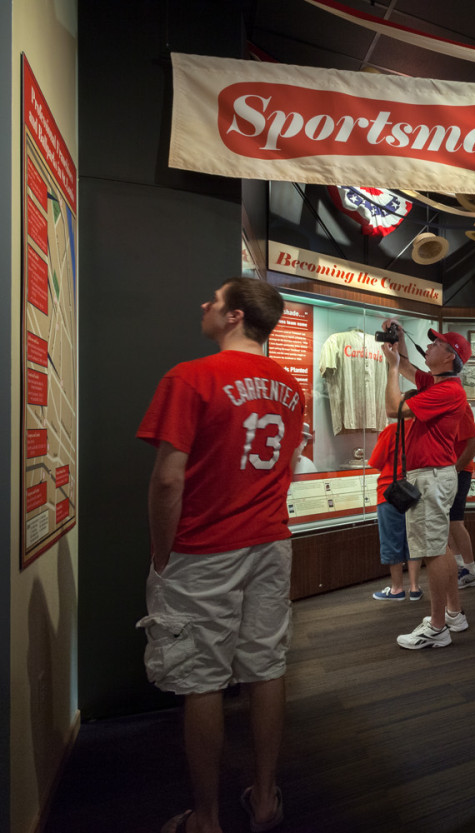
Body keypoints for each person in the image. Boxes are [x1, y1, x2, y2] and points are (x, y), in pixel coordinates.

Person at [136, 278, 305, 833]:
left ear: (234, 316)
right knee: (266, 666)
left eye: (214, 299)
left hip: (205, 546)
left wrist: (163, 554)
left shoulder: (190, 376)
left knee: (202, 680)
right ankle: (264, 799)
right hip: (270, 539)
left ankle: (205, 819)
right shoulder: (289, 385)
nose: (204, 304)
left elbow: (167, 480)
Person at [383, 323, 473, 650]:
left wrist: (391, 370)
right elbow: (409, 367)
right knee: (440, 547)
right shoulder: (438, 383)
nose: (429, 347)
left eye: (436, 344)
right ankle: (453, 613)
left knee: (433, 551)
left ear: (450, 356)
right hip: (435, 474)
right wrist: (399, 343)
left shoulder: (447, 390)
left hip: (430, 476)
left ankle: (437, 627)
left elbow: (394, 409)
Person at [367, 418, 422, 601]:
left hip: (389, 491)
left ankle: (397, 588)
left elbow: (376, 461)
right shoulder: (425, 430)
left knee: (392, 540)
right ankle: (415, 587)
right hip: (415, 491)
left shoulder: (392, 429)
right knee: (414, 539)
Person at [448, 402, 475, 589]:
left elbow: (474, 444)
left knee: (455, 521)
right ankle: (461, 566)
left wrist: (454, 471)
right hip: (451, 470)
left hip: (458, 471)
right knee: (448, 521)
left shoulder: (460, 407)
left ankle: (470, 570)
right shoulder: (448, 407)